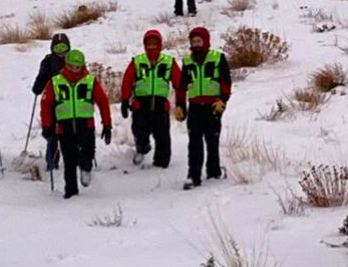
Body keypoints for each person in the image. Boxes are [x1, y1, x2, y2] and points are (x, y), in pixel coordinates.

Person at [40, 49, 112, 199]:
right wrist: (47, 125)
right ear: (66, 65)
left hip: (86, 125)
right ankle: (71, 191)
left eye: (77, 67)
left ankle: (86, 168)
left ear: (83, 66)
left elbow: (103, 102)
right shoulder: (55, 82)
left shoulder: (90, 81)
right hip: (63, 128)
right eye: (71, 66)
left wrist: (107, 124)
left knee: (87, 153)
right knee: (69, 160)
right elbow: (46, 104)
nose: (74, 70)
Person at [175, 27, 232, 190]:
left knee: (212, 141)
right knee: (194, 143)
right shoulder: (187, 62)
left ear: (206, 42)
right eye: (193, 42)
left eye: (199, 41)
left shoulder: (218, 58)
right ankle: (193, 176)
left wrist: (223, 100)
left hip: (213, 107)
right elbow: (181, 87)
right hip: (194, 108)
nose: (196, 45)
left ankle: (214, 172)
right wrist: (180, 105)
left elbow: (226, 82)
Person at [120, 29, 182, 168]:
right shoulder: (137, 61)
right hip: (140, 105)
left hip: (161, 105)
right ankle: (142, 148)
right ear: (144, 45)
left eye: (154, 44)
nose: (151, 47)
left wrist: (181, 103)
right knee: (139, 130)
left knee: (162, 136)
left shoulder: (169, 62)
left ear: (160, 45)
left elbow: (179, 84)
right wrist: (124, 100)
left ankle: (162, 164)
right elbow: (127, 81)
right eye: (149, 44)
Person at [31, 33, 71, 171]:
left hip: (69, 102)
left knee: (69, 132)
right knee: (52, 133)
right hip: (52, 102)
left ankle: (72, 158)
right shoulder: (48, 61)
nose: (61, 52)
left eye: (64, 48)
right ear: (52, 49)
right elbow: (42, 77)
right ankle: (52, 161)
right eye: (57, 48)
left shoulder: (72, 60)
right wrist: (38, 87)